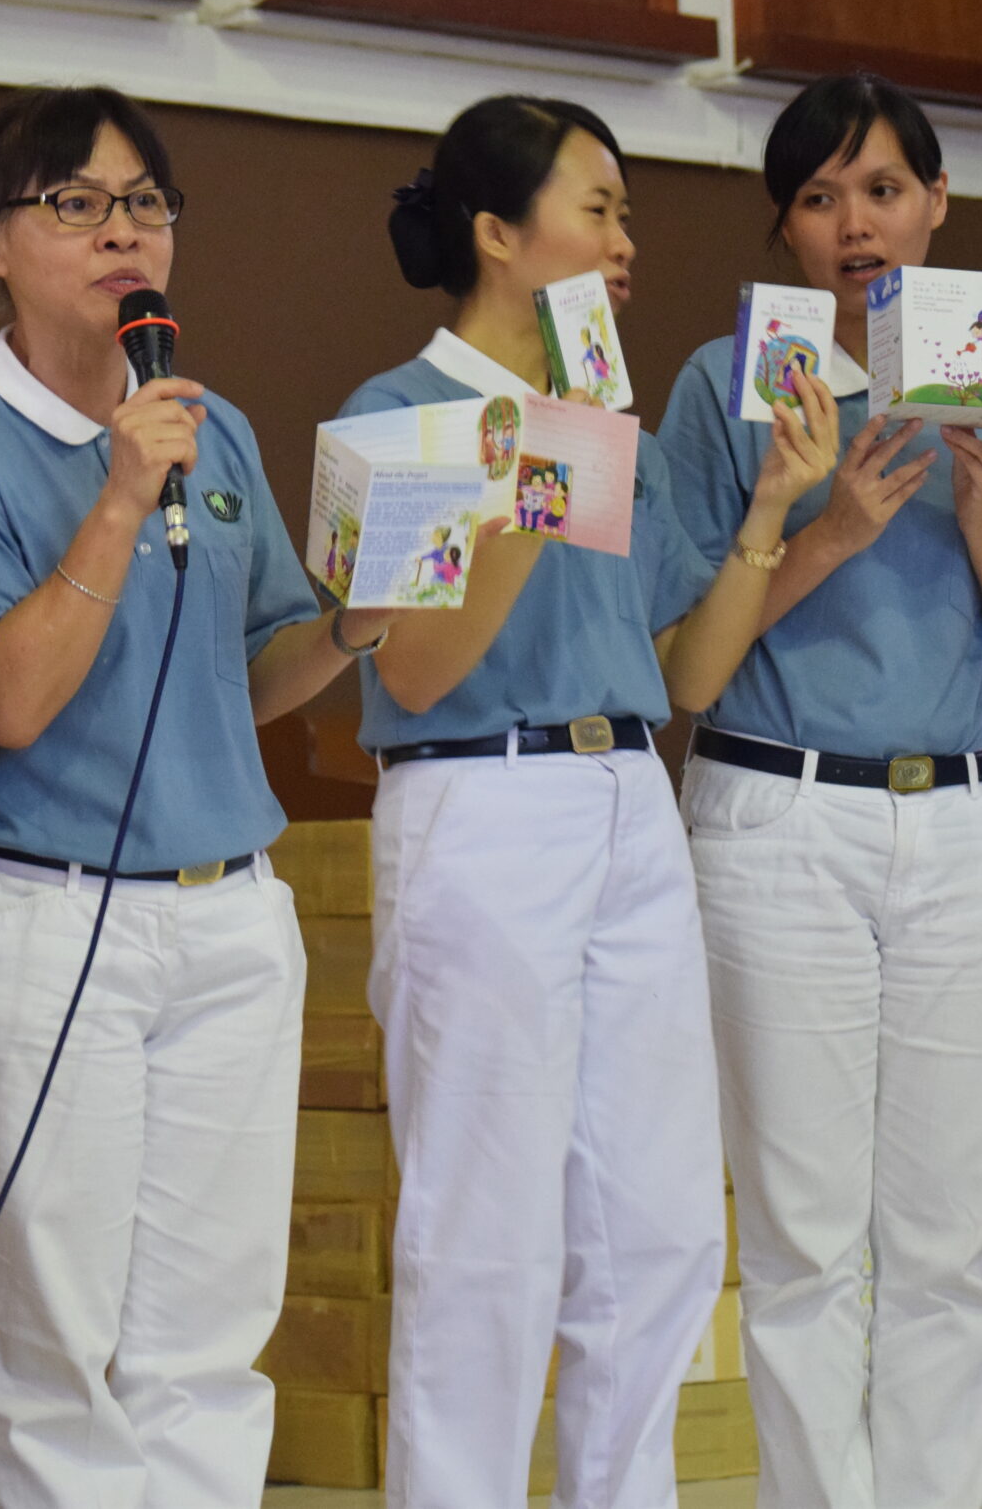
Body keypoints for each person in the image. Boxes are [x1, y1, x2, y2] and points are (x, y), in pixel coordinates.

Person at [0, 85, 400, 1509]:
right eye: (78, 204)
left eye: (148, 204)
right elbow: (4, 705)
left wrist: (355, 624)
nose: (124, 233)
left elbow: (253, 674)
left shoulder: (209, 429)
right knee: (60, 1349)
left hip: (229, 919)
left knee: (209, 1345)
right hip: (45, 922)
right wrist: (117, 498)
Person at [347, 94, 836, 1509]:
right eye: (600, 209)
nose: (627, 242)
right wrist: (538, 460)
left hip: (629, 794)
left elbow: (684, 672)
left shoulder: (612, 421)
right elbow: (418, 669)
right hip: (478, 801)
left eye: (627, 214)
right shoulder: (395, 413)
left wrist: (769, 514)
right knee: (484, 1229)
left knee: (660, 1224)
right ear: (499, 235)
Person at [656, 72, 982, 1509]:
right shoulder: (732, 385)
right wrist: (826, 527)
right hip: (777, 814)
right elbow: (688, 662)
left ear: (938, 203)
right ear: (784, 227)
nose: (856, 225)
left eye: (884, 190)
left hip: (959, 813)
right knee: (803, 1237)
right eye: (820, 198)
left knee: (952, 1235)